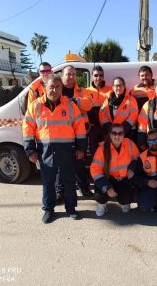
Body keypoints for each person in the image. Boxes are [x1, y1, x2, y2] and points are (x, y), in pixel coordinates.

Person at [22, 74, 87, 223]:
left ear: (62, 88)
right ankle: (48, 209)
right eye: (51, 86)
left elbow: (80, 128)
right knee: (48, 182)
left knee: (69, 181)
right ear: (45, 87)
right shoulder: (35, 106)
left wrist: (81, 148)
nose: (55, 90)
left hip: (67, 150)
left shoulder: (70, 105)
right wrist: (30, 149)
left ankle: (71, 208)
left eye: (58, 87)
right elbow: (27, 129)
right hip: (45, 150)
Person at [57, 65, 93, 199]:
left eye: (73, 74)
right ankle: (60, 191)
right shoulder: (57, 90)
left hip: (80, 133)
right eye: (68, 74)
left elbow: (88, 104)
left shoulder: (82, 91)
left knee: (80, 163)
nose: (71, 76)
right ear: (62, 76)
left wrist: (73, 101)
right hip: (61, 134)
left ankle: (84, 189)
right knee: (61, 165)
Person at [90, 123, 139, 216]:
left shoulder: (129, 144)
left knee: (126, 199)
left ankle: (125, 203)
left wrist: (132, 168)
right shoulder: (102, 148)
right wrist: (107, 187)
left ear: (124, 134)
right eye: (114, 133)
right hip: (108, 178)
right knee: (100, 196)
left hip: (124, 178)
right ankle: (101, 204)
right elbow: (95, 170)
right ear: (110, 134)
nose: (117, 136)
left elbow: (137, 159)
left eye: (120, 133)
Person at [85, 65, 112, 156]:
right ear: (92, 76)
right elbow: (83, 110)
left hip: (106, 127)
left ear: (103, 76)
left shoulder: (110, 90)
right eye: (96, 75)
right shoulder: (86, 91)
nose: (98, 78)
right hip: (92, 128)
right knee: (94, 153)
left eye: (101, 75)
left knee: (107, 152)